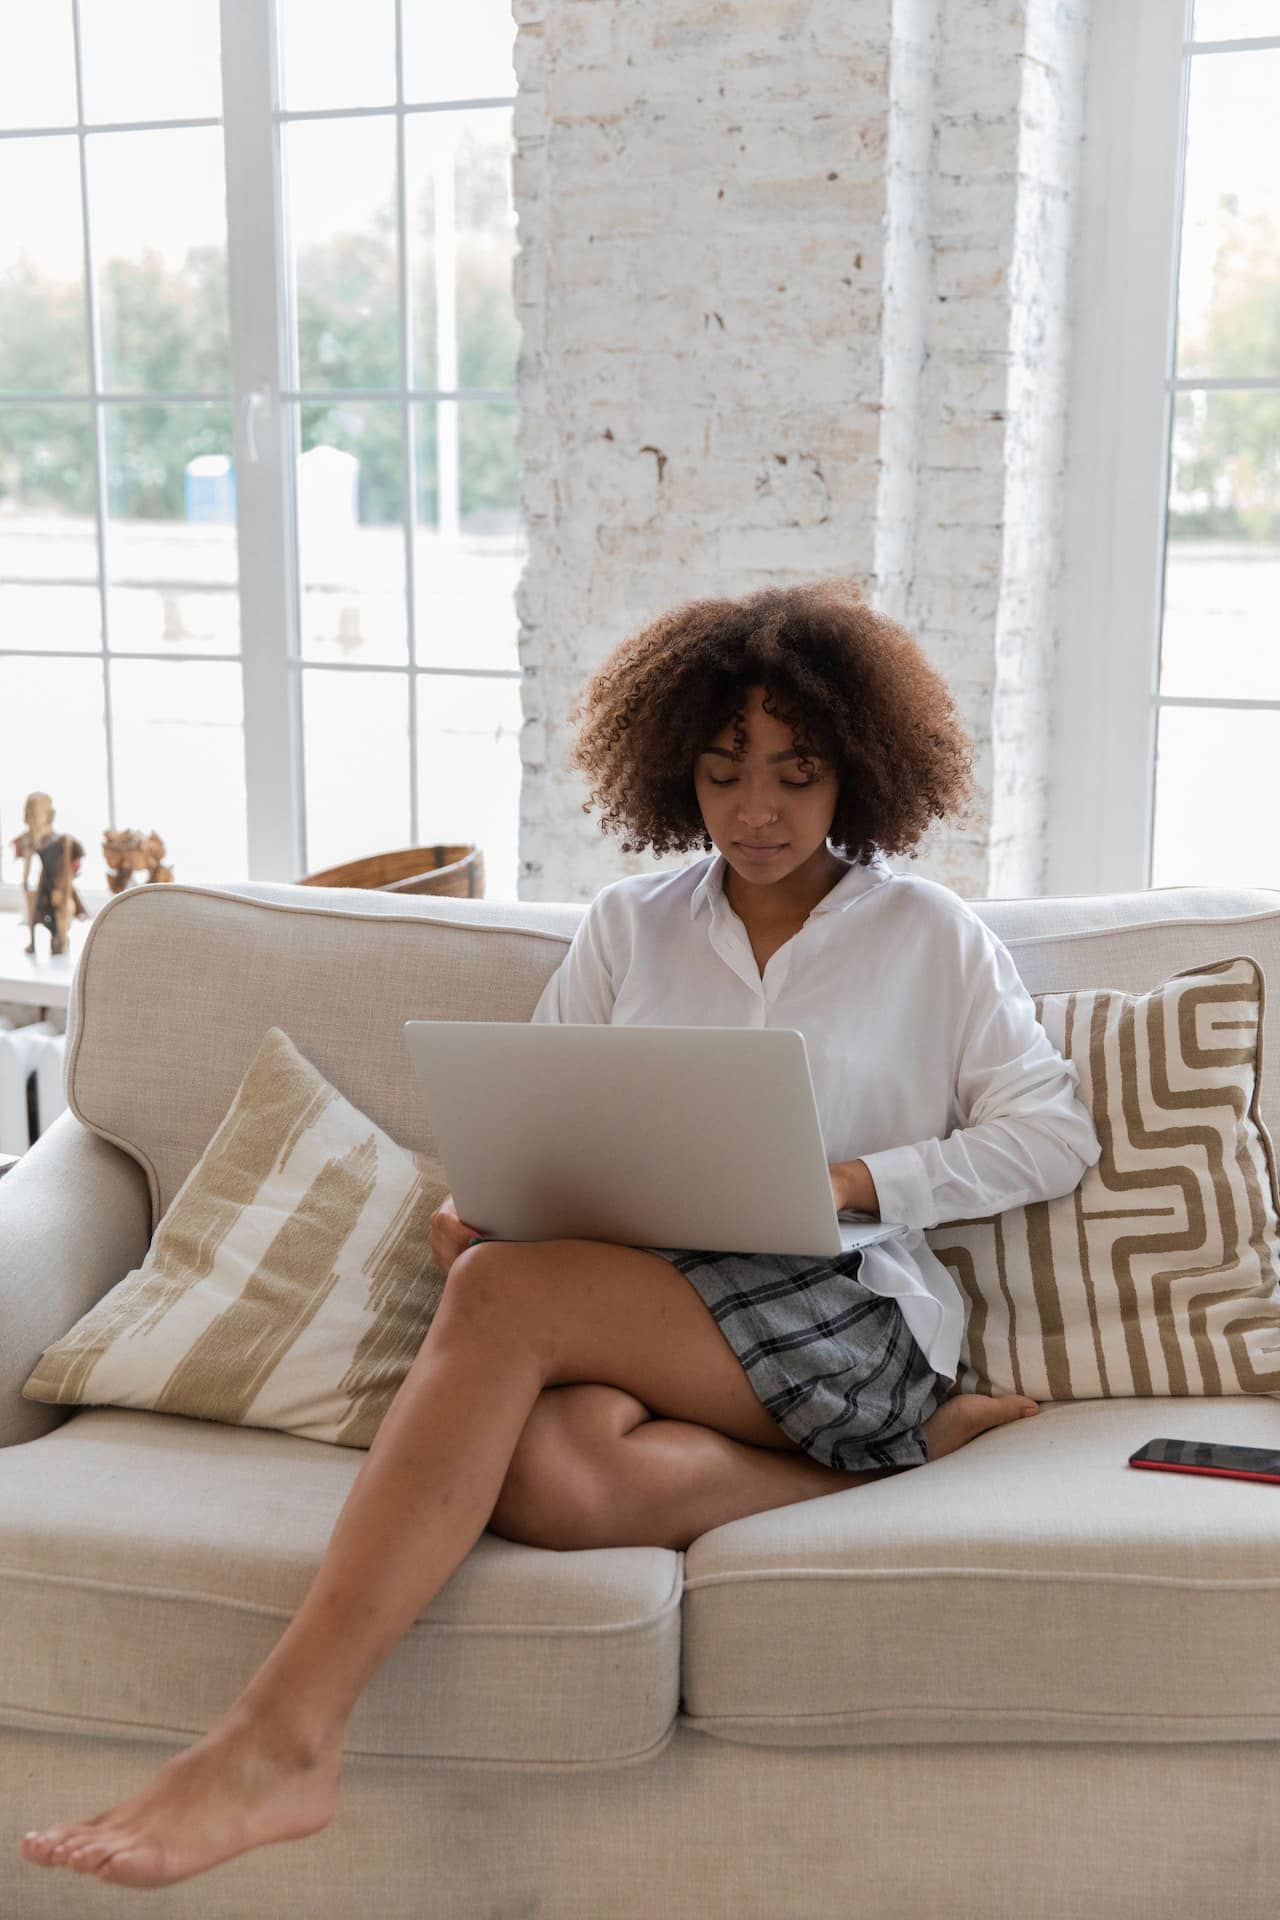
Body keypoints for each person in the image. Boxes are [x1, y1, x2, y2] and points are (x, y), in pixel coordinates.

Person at [19, 576, 1101, 1891]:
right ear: (673, 775)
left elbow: (1051, 1134)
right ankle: (905, 1459)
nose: (755, 810)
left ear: (859, 776)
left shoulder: (932, 936)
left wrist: (856, 1181)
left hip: (847, 1312)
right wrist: (484, 1207)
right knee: (552, 1477)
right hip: (648, 1304)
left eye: (795, 775)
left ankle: (279, 1739)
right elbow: (531, 1122)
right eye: (721, 773)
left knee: (505, 1303)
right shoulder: (625, 929)